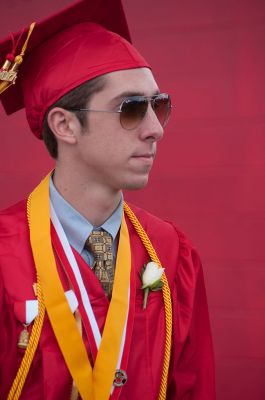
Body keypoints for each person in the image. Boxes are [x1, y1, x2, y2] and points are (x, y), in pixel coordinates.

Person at [0, 0, 215, 399]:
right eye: (131, 109)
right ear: (65, 124)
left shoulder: (173, 254)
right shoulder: (3, 254)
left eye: (159, 105)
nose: (155, 129)